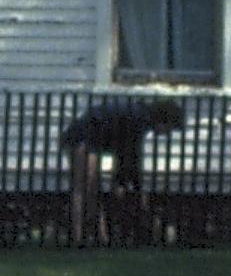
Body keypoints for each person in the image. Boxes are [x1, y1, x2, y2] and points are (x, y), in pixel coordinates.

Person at [58, 93, 187, 244]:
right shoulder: (140, 120)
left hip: (95, 138)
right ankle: (78, 237)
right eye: (169, 129)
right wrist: (125, 182)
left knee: (93, 189)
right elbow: (129, 153)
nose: (167, 134)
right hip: (82, 135)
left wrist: (121, 180)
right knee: (83, 187)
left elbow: (125, 152)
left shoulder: (141, 117)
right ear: (164, 120)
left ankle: (99, 237)